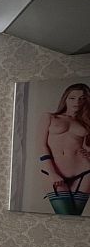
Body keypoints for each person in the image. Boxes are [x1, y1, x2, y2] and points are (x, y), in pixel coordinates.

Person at [38, 83, 90, 215]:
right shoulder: (49, 117)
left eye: (82, 98)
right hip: (54, 172)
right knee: (65, 217)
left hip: (84, 173)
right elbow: (41, 145)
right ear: (65, 99)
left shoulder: (86, 123)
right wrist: (52, 173)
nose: (77, 102)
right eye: (72, 98)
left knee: (74, 220)